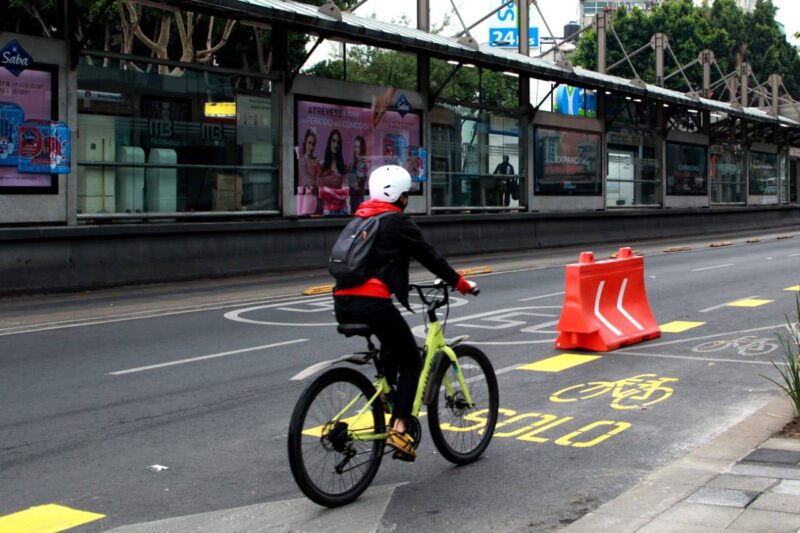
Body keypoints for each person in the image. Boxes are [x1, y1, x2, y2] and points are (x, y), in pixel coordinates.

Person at [333, 165, 477, 461]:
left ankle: (388, 395)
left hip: (342, 301)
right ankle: (400, 428)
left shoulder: (360, 219)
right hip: (373, 303)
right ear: (400, 196)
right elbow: (429, 255)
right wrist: (460, 283)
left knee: (392, 346)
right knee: (411, 360)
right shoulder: (397, 221)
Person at [318, 129, 350, 215]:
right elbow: (321, 193)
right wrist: (337, 192)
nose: (336, 145)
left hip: (343, 210)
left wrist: (328, 192)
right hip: (327, 210)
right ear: (329, 143)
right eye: (334, 141)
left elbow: (345, 192)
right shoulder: (323, 167)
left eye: (338, 142)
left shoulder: (343, 167)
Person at [296, 129, 320, 216]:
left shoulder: (316, 160)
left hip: (317, 196)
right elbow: (305, 178)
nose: (311, 146)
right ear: (305, 143)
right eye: (309, 143)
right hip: (307, 195)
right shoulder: (302, 161)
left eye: (313, 144)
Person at [347, 135, 369, 213]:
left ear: (362, 149)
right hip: (352, 198)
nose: (356, 149)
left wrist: (351, 185)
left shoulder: (363, 165)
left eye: (358, 147)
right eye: (355, 147)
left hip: (358, 199)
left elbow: (358, 186)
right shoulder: (352, 164)